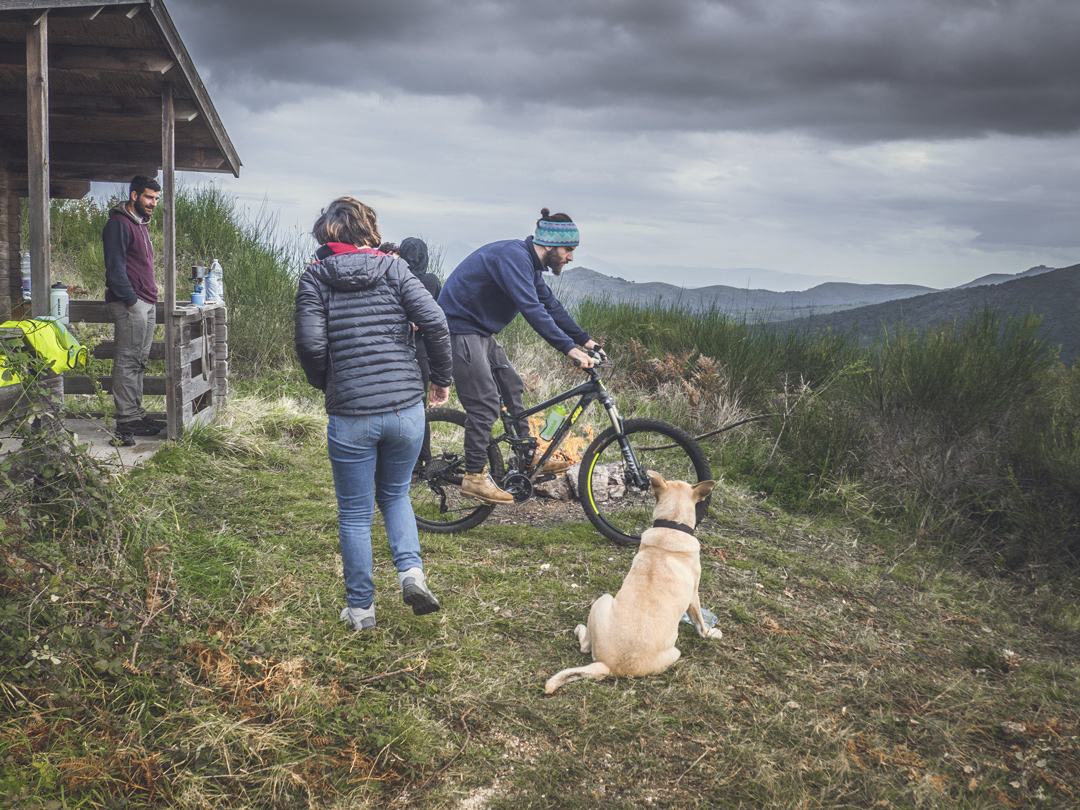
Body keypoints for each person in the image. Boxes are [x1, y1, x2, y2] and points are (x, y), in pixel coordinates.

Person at [295, 197, 452, 632]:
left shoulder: (314, 278)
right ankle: (411, 574)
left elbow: (310, 345)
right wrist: (440, 378)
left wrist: (328, 382)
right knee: (396, 494)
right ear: (369, 230)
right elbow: (436, 323)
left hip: (351, 414)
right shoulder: (396, 269)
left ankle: (362, 611)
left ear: (327, 235)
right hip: (405, 409)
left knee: (353, 514)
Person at [437, 208, 605, 505]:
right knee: (485, 403)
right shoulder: (513, 257)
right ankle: (474, 476)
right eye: (569, 250)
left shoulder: (527, 262)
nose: (571, 258)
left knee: (512, 385)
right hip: (459, 330)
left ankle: (527, 456)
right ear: (551, 246)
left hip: (480, 332)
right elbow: (532, 309)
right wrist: (570, 350)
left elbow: (550, 305)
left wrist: (586, 341)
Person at [103, 175, 164, 445]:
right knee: (128, 359)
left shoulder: (141, 224)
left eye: (156, 199)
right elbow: (115, 269)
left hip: (146, 302)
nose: (153, 203)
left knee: (140, 360)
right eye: (149, 198)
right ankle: (127, 418)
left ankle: (137, 413)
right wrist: (131, 300)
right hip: (131, 303)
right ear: (134, 195)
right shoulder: (118, 224)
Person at [397, 237, 441, 467]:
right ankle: (423, 459)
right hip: (423, 352)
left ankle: (399, 458)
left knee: (397, 406)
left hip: (398, 350)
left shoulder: (396, 277)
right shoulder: (432, 281)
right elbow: (439, 315)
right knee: (420, 407)